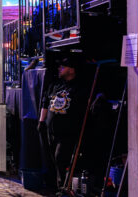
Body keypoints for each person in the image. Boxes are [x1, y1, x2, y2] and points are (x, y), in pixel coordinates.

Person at [37, 57, 87, 187]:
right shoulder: (56, 85)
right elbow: (45, 102)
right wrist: (41, 121)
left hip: (67, 132)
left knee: (60, 158)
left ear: (71, 70)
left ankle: (63, 187)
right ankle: (58, 186)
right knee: (53, 159)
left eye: (63, 67)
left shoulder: (79, 87)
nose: (59, 69)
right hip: (51, 130)